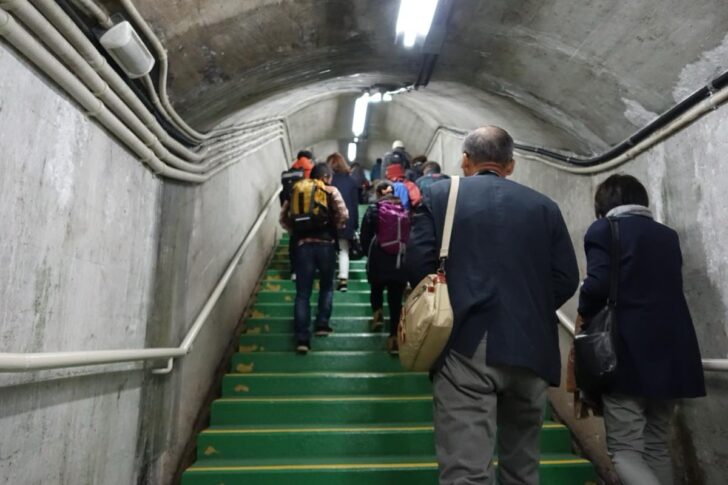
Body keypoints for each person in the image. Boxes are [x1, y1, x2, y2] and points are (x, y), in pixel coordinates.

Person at [405, 126, 579, 485]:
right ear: (510, 165)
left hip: (466, 345)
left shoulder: (439, 197)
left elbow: (417, 266)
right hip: (532, 348)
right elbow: (566, 277)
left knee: (466, 472)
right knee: (522, 469)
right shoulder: (545, 207)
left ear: (465, 161)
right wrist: (528, 308)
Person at [578, 174, 705, 485]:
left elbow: (597, 286)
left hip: (626, 352)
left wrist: (583, 312)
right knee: (656, 445)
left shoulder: (604, 230)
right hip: (673, 351)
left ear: (603, 204)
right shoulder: (666, 235)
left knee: (625, 449)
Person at [280, 162, 349, 353]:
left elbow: (282, 218)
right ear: (326, 177)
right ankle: (322, 325)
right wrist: (335, 226)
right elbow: (344, 214)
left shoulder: (297, 190)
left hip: (302, 246)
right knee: (327, 287)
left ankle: (302, 339)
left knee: (303, 293)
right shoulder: (330, 190)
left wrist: (297, 231)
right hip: (326, 246)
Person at [360, 181, 410, 355]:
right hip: (399, 261)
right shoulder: (405, 212)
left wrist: (368, 254)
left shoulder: (374, 209)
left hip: (378, 258)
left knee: (376, 288)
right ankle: (394, 339)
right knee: (396, 301)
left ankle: (377, 314)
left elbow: (365, 236)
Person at [327, 153, 360, 292]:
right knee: (343, 250)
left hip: (329, 221)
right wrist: (355, 224)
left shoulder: (327, 182)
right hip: (346, 221)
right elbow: (354, 205)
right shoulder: (351, 181)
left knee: (328, 251)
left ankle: (327, 279)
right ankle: (343, 280)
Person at [281, 150, 315, 279]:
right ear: (309, 159)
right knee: (309, 240)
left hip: (293, 213)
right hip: (309, 213)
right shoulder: (312, 170)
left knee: (294, 240)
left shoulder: (290, 172)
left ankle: (294, 271)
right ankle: (308, 269)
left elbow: (284, 195)